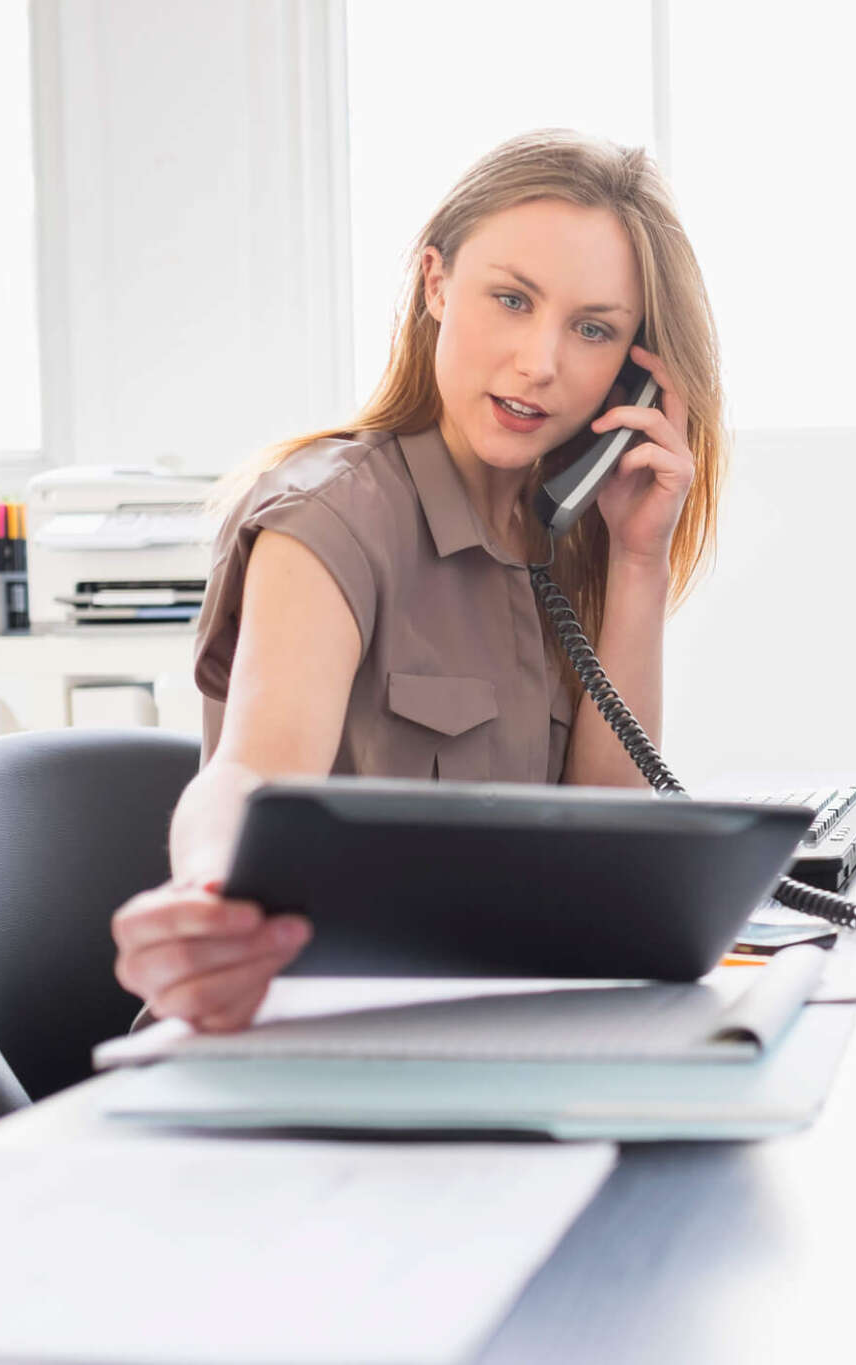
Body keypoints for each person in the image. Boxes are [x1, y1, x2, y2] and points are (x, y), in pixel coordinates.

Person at [110, 129, 727, 1032]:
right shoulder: (329, 517)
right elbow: (250, 772)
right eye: (511, 299)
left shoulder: (567, 539)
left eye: (593, 329)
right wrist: (208, 893)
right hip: (309, 1035)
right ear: (437, 283)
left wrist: (638, 561)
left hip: (498, 1027)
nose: (541, 362)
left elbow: (605, 845)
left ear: (635, 369)